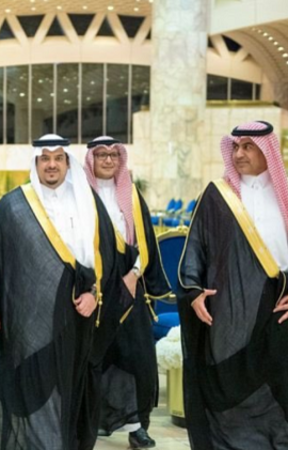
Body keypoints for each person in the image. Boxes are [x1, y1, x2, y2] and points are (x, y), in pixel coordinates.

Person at [0, 134, 131, 450]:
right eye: (45, 158)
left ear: (68, 163)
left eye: (59, 158)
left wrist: (95, 294)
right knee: (33, 386)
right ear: (35, 163)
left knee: (69, 390)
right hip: (27, 319)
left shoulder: (88, 202)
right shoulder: (12, 206)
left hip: (77, 317)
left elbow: (108, 259)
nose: (52, 164)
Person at [178, 120, 288, 450]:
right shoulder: (217, 195)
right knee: (228, 386)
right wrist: (194, 292)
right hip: (229, 311)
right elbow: (196, 247)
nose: (239, 154)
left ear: (268, 151)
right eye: (236, 147)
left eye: (248, 147)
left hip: (281, 307)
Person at [83, 136, 171, 449]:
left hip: (128, 287)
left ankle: (137, 427)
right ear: (91, 160)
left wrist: (134, 275)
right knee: (94, 356)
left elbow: (144, 241)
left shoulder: (131, 195)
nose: (108, 160)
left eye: (114, 155)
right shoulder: (80, 195)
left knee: (135, 356)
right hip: (91, 289)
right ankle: (88, 423)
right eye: (101, 155)